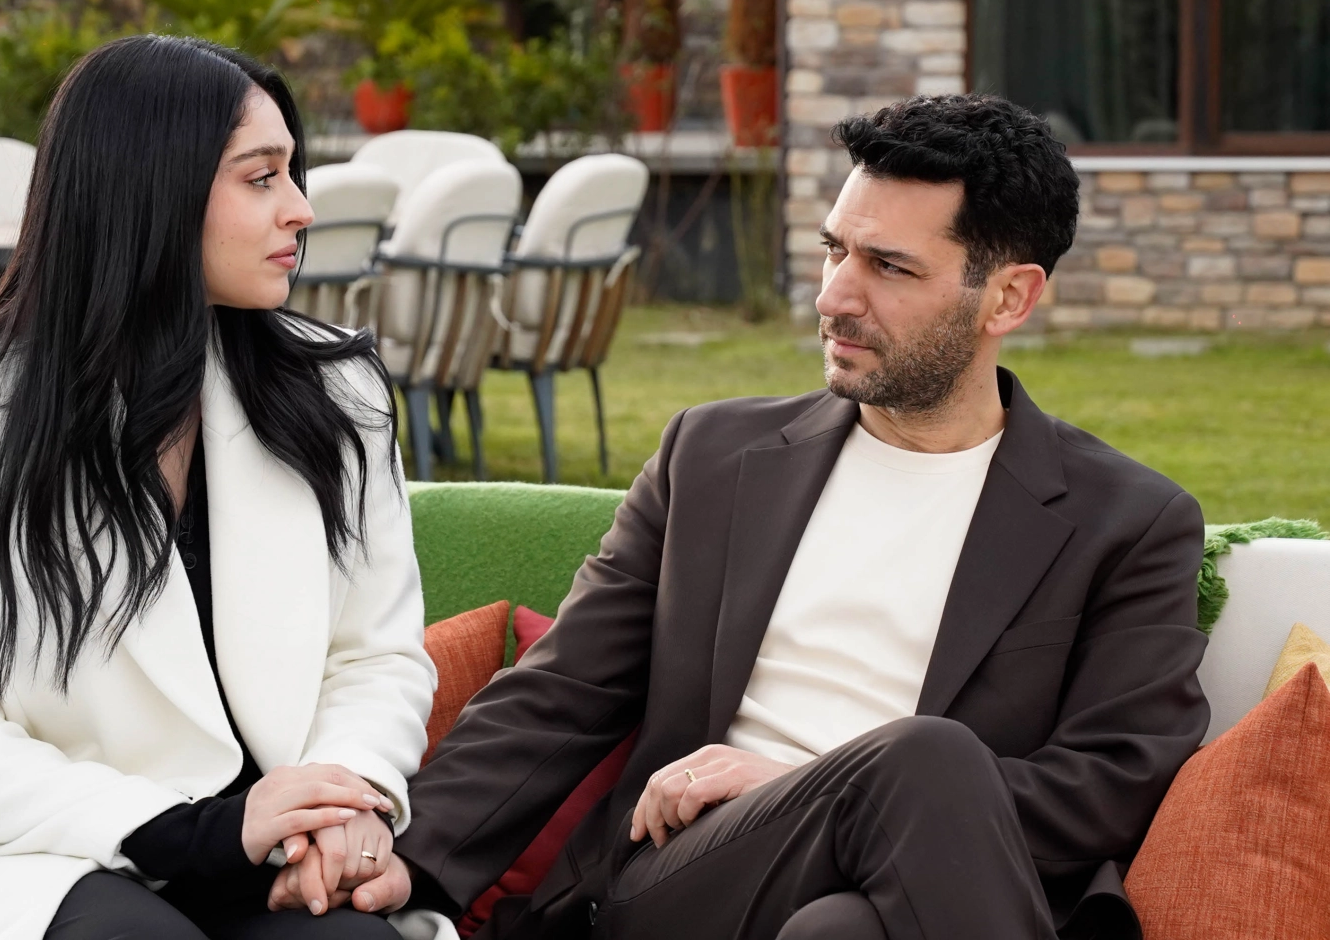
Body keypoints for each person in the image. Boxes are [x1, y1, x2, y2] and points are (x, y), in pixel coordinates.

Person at [339, 94, 1210, 940]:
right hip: (684, 876)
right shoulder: (711, 457)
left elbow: (1112, 783)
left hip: (921, 888)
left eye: (889, 267)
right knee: (926, 757)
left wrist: (811, 783)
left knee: (850, 916)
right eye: (835, 251)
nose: (834, 297)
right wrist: (403, 860)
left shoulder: (1126, 521)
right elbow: (563, 694)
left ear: (1008, 299)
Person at [0, 35, 436, 940]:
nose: (301, 209)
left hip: (267, 851)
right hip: (18, 853)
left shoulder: (333, 393)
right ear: (153, 192)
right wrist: (193, 833)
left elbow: (374, 657)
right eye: (261, 178)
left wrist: (342, 802)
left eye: (292, 173)